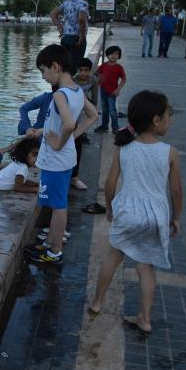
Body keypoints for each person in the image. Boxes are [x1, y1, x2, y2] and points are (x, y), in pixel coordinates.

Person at [88, 91, 183, 333]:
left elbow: (110, 185)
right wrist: (175, 218)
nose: (169, 120)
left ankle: (97, 302)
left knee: (114, 256)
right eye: (168, 115)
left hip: (129, 212)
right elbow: (176, 192)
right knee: (146, 267)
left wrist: (110, 208)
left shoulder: (125, 147)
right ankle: (145, 318)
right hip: (156, 216)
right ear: (156, 120)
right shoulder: (169, 152)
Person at [25, 44, 98, 265]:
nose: (44, 77)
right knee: (58, 203)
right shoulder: (76, 90)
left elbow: (66, 124)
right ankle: (50, 243)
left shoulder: (59, 95)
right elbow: (92, 115)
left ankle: (54, 252)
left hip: (56, 160)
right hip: (66, 158)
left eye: (43, 71)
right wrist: (56, 134)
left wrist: (59, 144)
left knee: (58, 207)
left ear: (55, 67)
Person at [70, 58, 97, 190]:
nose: (83, 73)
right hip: (72, 114)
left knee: (77, 144)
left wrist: (92, 110)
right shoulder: (72, 80)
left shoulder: (93, 80)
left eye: (86, 70)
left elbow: (95, 99)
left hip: (84, 112)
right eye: (80, 70)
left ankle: (75, 177)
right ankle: (69, 176)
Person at [50, 0, 90, 68]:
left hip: (65, 38)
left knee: (65, 65)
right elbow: (81, 18)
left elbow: (53, 14)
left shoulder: (66, 2)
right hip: (77, 38)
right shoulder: (83, 3)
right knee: (76, 66)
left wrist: (60, 27)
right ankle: (72, 81)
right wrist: (82, 36)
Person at [94, 46, 127, 133]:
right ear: (107, 55)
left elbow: (124, 79)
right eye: (111, 54)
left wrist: (118, 89)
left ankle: (115, 128)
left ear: (119, 56)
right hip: (103, 90)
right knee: (104, 110)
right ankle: (104, 126)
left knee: (112, 111)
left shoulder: (119, 67)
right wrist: (98, 80)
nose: (113, 56)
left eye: (116, 54)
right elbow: (96, 74)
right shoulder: (103, 65)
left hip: (112, 92)